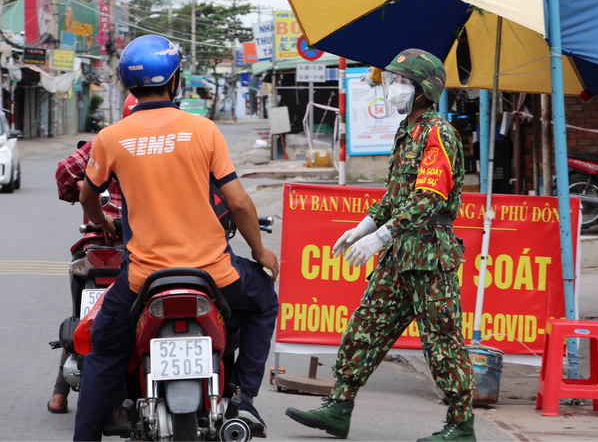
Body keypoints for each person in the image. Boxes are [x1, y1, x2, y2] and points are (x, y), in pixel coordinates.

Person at [73, 35, 279, 441]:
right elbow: (237, 202)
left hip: (141, 280)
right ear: (176, 80)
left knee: (104, 351)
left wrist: (103, 224)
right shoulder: (202, 130)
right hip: (215, 274)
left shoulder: (112, 137)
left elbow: (86, 194)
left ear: (127, 84)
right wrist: (260, 251)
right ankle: (242, 398)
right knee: (264, 302)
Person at [285, 49, 476, 442]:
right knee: (366, 326)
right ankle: (339, 406)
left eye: (403, 82)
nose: (395, 89)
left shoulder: (438, 132)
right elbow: (395, 195)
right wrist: (365, 225)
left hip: (428, 256)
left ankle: (461, 426)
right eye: (394, 81)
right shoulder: (407, 131)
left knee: (443, 341)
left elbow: (428, 198)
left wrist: (382, 235)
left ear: (425, 90)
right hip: (398, 257)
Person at [47, 96, 134, 414]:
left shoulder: (107, 139)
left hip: (95, 246)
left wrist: (94, 214)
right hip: (142, 247)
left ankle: (60, 394)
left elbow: (64, 176)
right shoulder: (173, 142)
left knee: (81, 312)